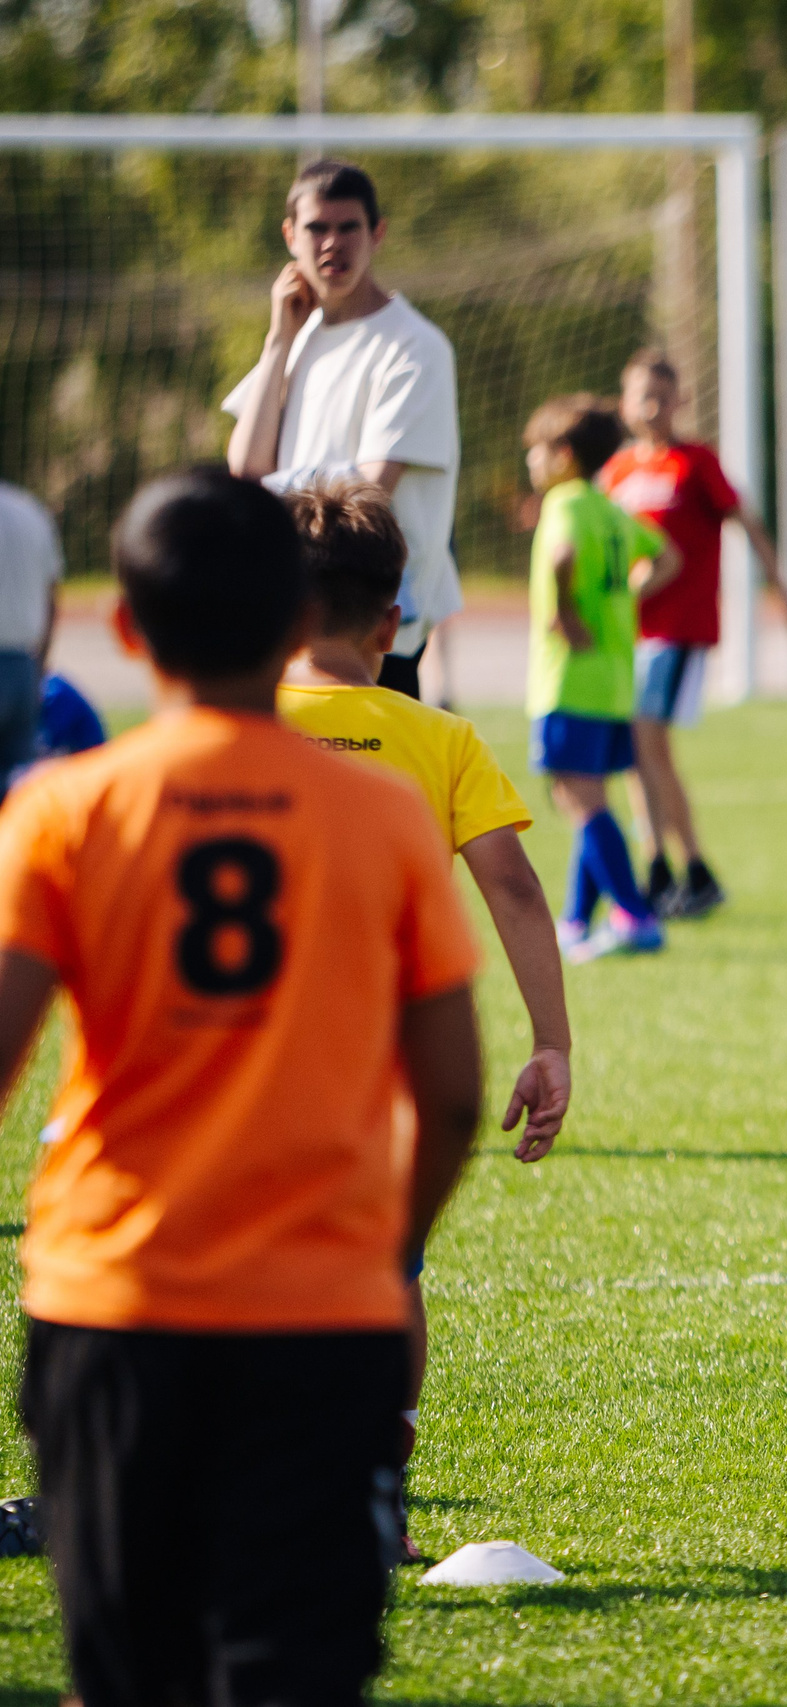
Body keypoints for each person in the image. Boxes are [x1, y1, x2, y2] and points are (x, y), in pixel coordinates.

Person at [0, 467, 483, 1705]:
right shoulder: (380, 818)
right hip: (320, 1306)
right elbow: (453, 1091)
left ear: (123, 629)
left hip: (114, 1298)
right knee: (294, 1672)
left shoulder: (65, 810)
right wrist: (388, 1248)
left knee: (126, 1672)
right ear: (294, 626)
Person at [275, 479, 572, 1560]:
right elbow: (517, 889)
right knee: (386, 1280)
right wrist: (552, 1044)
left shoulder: (221, 727)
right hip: (381, 1073)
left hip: (229, 1060)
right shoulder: (437, 736)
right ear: (393, 622)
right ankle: (376, 1491)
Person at [222, 158, 460, 700]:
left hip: (372, 631)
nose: (333, 243)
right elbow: (246, 469)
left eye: (349, 227)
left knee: (384, 784)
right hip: (297, 618)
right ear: (290, 236)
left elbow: (365, 495)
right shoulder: (297, 339)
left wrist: (265, 505)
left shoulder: (414, 345)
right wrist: (277, 342)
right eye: (317, 228)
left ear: (377, 234)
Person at [598, 349, 787, 918]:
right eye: (640, 395)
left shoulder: (695, 462)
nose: (651, 407)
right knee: (633, 751)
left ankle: (690, 866)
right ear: (623, 404)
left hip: (678, 628)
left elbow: (748, 525)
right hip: (628, 630)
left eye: (661, 396)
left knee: (648, 741)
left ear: (680, 402)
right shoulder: (618, 471)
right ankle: (662, 867)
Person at [525, 395, 669, 962]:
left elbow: (561, 556)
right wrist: (622, 600)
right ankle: (577, 920)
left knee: (579, 800)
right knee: (588, 799)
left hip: (569, 677)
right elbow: (666, 556)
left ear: (562, 456)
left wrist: (563, 609)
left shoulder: (566, 503)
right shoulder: (611, 509)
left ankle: (634, 915)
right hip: (612, 675)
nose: (531, 464)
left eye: (535, 453)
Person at [0, 480, 59, 784]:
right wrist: (39, 667)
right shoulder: (30, 510)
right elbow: (51, 598)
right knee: (20, 784)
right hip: (24, 665)